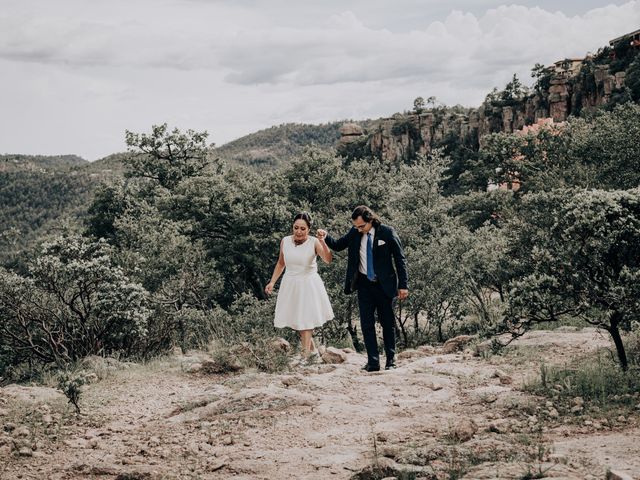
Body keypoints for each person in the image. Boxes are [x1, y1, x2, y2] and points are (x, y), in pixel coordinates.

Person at [318, 206, 408, 372]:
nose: (359, 229)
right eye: (356, 226)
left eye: (362, 226)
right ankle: (373, 362)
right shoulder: (355, 232)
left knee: (387, 323)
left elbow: (400, 259)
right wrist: (325, 237)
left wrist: (403, 285)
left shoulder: (387, 233)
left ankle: (391, 360)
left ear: (371, 220)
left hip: (384, 285)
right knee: (366, 324)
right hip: (364, 285)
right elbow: (338, 245)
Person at [265, 212, 334, 359]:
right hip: (290, 283)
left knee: (306, 320)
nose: (298, 231)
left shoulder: (314, 242)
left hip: (308, 283)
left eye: (303, 229)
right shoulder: (285, 241)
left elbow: (328, 259)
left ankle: (305, 356)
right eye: (296, 227)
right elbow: (281, 263)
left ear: (309, 229)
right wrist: (272, 282)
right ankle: (314, 352)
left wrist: (323, 241)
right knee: (297, 320)